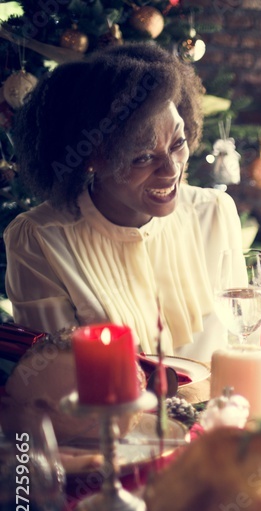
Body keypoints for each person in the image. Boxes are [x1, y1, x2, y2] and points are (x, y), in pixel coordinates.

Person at [4, 42, 243, 363]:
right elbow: (57, 381)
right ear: (91, 158)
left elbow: (244, 347)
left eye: (178, 143)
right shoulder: (39, 240)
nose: (172, 169)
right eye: (143, 157)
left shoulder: (215, 213)